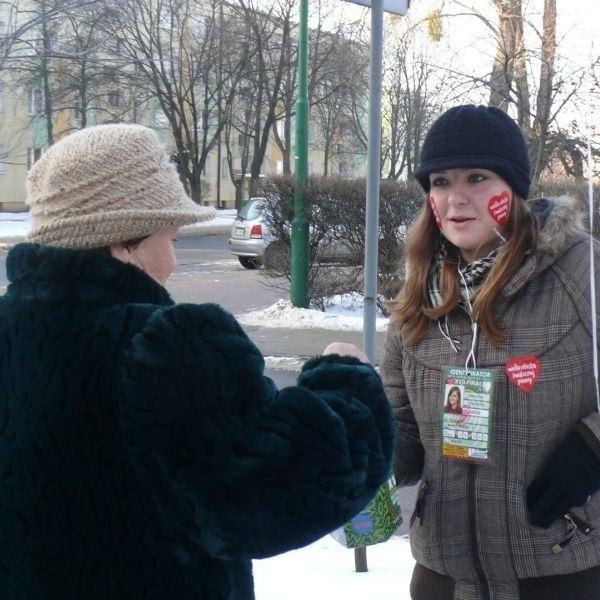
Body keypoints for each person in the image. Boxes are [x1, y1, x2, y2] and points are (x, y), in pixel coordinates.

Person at [0, 124, 395, 599]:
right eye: (168, 236)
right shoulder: (163, 345)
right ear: (121, 244)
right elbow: (277, 493)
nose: (173, 259)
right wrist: (345, 383)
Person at [381, 104, 600, 599]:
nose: (455, 199)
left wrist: (591, 449)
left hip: (561, 572)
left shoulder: (582, 273)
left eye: (476, 178)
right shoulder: (419, 296)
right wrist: (354, 435)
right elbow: (402, 434)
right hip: (443, 580)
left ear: (513, 189)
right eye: (439, 181)